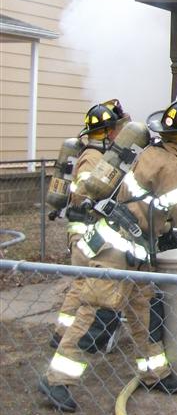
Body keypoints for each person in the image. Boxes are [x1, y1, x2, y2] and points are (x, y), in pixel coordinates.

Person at [40, 99, 177, 412]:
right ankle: (56, 380)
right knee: (95, 314)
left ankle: (155, 372)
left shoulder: (155, 153)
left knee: (143, 314)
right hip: (115, 250)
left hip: (134, 250)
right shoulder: (168, 165)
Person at [51, 99, 128, 352]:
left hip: (84, 229)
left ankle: (63, 333)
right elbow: (87, 194)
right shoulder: (93, 158)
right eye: (114, 130)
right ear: (106, 133)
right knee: (84, 285)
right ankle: (65, 336)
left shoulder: (92, 153)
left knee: (82, 284)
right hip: (84, 230)